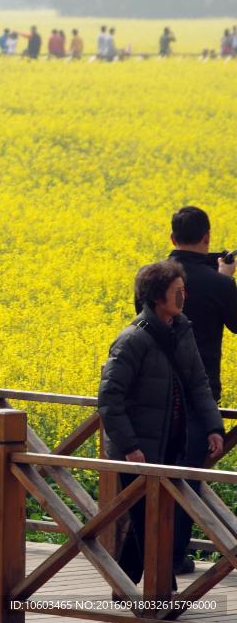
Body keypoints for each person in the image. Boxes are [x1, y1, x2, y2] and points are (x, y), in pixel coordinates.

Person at [99, 260, 224, 592]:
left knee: (151, 521)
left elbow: (198, 382)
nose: (183, 296)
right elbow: (110, 399)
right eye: (176, 291)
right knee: (148, 522)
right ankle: (164, 593)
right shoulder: (131, 340)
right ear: (156, 298)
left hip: (171, 443)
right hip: (138, 449)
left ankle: (121, 587)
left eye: (183, 290)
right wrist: (129, 447)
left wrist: (214, 426)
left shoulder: (182, 329)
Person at [160, 207, 237, 572]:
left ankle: (148, 558)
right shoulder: (219, 283)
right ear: (206, 236)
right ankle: (174, 557)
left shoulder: (153, 277)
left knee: (155, 475)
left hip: (155, 392)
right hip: (199, 394)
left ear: (172, 238)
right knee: (186, 476)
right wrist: (224, 276)